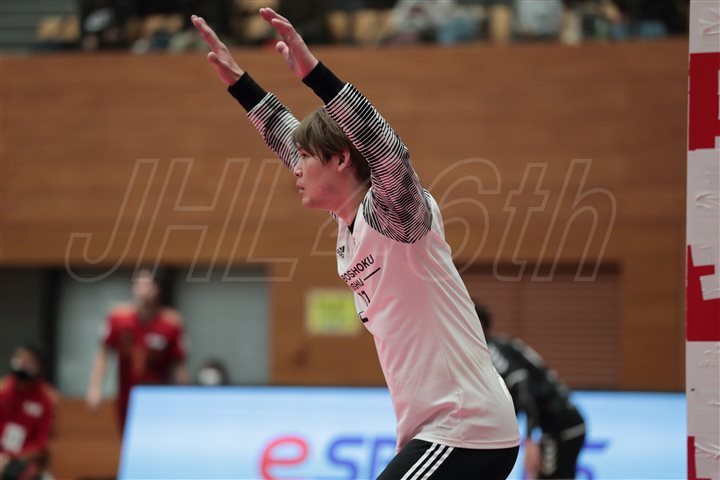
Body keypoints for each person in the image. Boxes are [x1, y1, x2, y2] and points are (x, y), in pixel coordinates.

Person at [193, 9, 520, 478]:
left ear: (343, 159)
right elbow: (284, 134)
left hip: (464, 427)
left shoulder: (395, 214)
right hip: (444, 429)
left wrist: (314, 74)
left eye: (306, 158)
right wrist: (240, 83)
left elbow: (386, 147)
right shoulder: (349, 222)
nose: (296, 168)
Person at [474, 303, 586, 479]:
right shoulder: (502, 343)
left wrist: (530, 440)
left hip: (559, 428)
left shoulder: (491, 349)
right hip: (566, 423)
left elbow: (522, 386)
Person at [86, 268, 189, 433]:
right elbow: (103, 353)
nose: (143, 289)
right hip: (127, 394)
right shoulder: (118, 318)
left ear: (158, 289)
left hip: (159, 396)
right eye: (139, 284)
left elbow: (179, 364)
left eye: (148, 284)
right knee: (127, 437)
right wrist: (95, 388)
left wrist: (184, 397)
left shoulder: (171, 323)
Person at [0, 345, 58, 480]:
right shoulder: (2, 391)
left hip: (24, 460)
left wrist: (13, 457)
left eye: (28, 362)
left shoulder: (46, 400)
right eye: (20, 359)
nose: (23, 365)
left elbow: (41, 443)